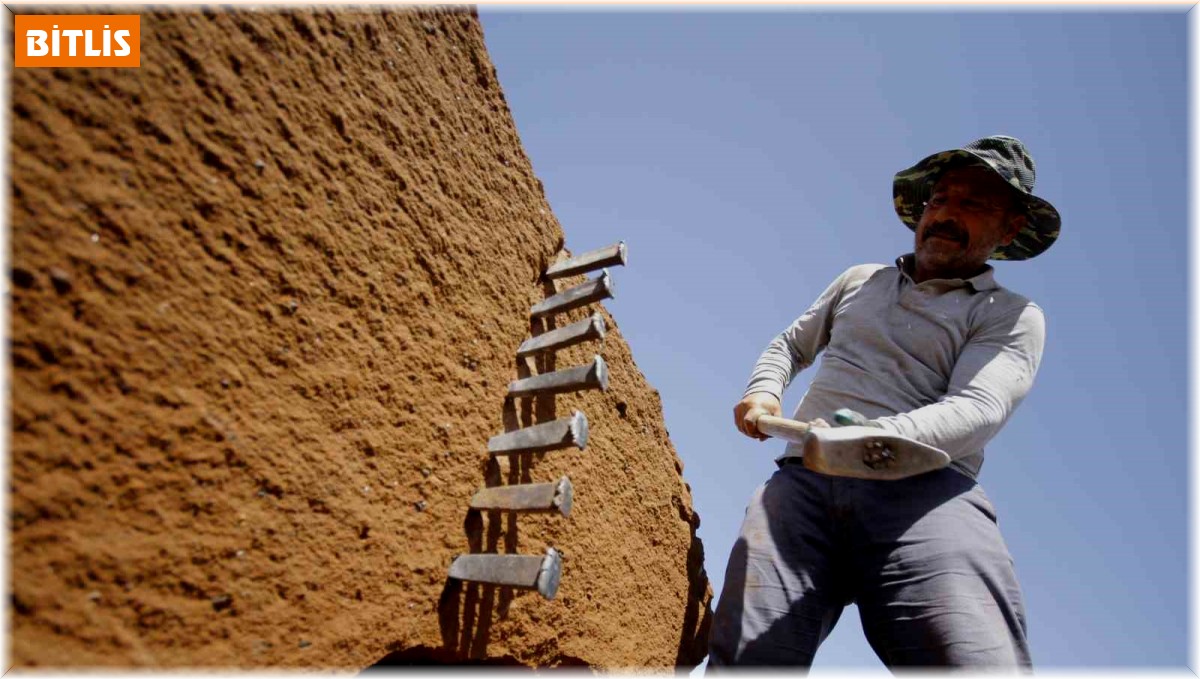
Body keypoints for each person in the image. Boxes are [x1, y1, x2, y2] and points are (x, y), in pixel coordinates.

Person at [707, 136, 1060, 670]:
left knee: (973, 662)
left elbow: (977, 408)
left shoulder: (1009, 315)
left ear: (1009, 229)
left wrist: (867, 437)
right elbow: (790, 345)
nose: (945, 213)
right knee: (749, 661)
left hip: (928, 497)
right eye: (939, 199)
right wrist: (763, 390)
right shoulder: (860, 281)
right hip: (804, 483)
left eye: (972, 204)